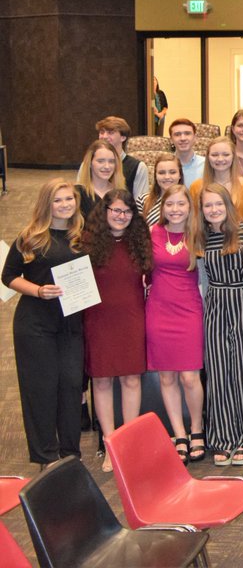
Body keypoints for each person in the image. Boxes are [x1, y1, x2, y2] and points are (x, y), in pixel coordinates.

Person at [2, 179, 85, 465]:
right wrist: (38, 291)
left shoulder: (82, 236)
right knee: (41, 389)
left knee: (72, 386)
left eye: (69, 199)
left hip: (71, 324)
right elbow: (8, 276)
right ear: (46, 204)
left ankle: (70, 455)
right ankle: (46, 456)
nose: (65, 205)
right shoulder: (31, 237)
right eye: (57, 200)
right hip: (35, 325)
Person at [81, 189, 150, 472]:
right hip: (98, 320)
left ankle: (128, 445)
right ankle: (110, 445)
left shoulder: (140, 240)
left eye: (127, 211)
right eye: (116, 210)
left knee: (132, 380)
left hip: (131, 318)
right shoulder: (86, 243)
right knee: (101, 381)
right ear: (105, 211)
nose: (122, 216)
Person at [197, 183, 243, 467]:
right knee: (218, 371)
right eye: (208, 205)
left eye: (218, 204)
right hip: (215, 304)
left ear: (228, 205)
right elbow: (201, 277)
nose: (213, 210)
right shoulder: (201, 237)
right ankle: (223, 438)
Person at [146, 184, 206, 463]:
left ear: (190, 207)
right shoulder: (153, 233)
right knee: (166, 376)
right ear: (163, 208)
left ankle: (197, 429)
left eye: (181, 204)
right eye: (170, 204)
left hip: (189, 310)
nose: (175, 209)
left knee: (190, 377)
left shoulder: (198, 234)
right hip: (158, 310)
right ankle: (179, 434)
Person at [190, 136, 243, 223]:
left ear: (233, 157)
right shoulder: (196, 187)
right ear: (208, 157)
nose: (220, 159)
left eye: (226, 154)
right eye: (214, 155)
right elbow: (193, 220)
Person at [92, 116, 149, 199]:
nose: (104, 136)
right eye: (102, 132)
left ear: (123, 137)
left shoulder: (138, 168)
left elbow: (140, 203)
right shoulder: (90, 164)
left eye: (110, 133)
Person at [76, 139, 123, 220]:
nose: (107, 166)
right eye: (100, 161)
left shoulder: (121, 194)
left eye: (111, 162)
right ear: (90, 163)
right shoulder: (77, 194)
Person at [139, 153, 183, 226]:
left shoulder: (190, 201)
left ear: (180, 175)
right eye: (161, 173)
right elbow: (138, 230)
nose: (167, 177)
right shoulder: (143, 200)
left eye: (172, 172)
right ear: (155, 176)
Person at [168, 118, 206, 186]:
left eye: (187, 133)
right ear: (171, 140)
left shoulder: (206, 165)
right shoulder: (165, 166)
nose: (183, 138)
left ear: (195, 137)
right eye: (177, 134)